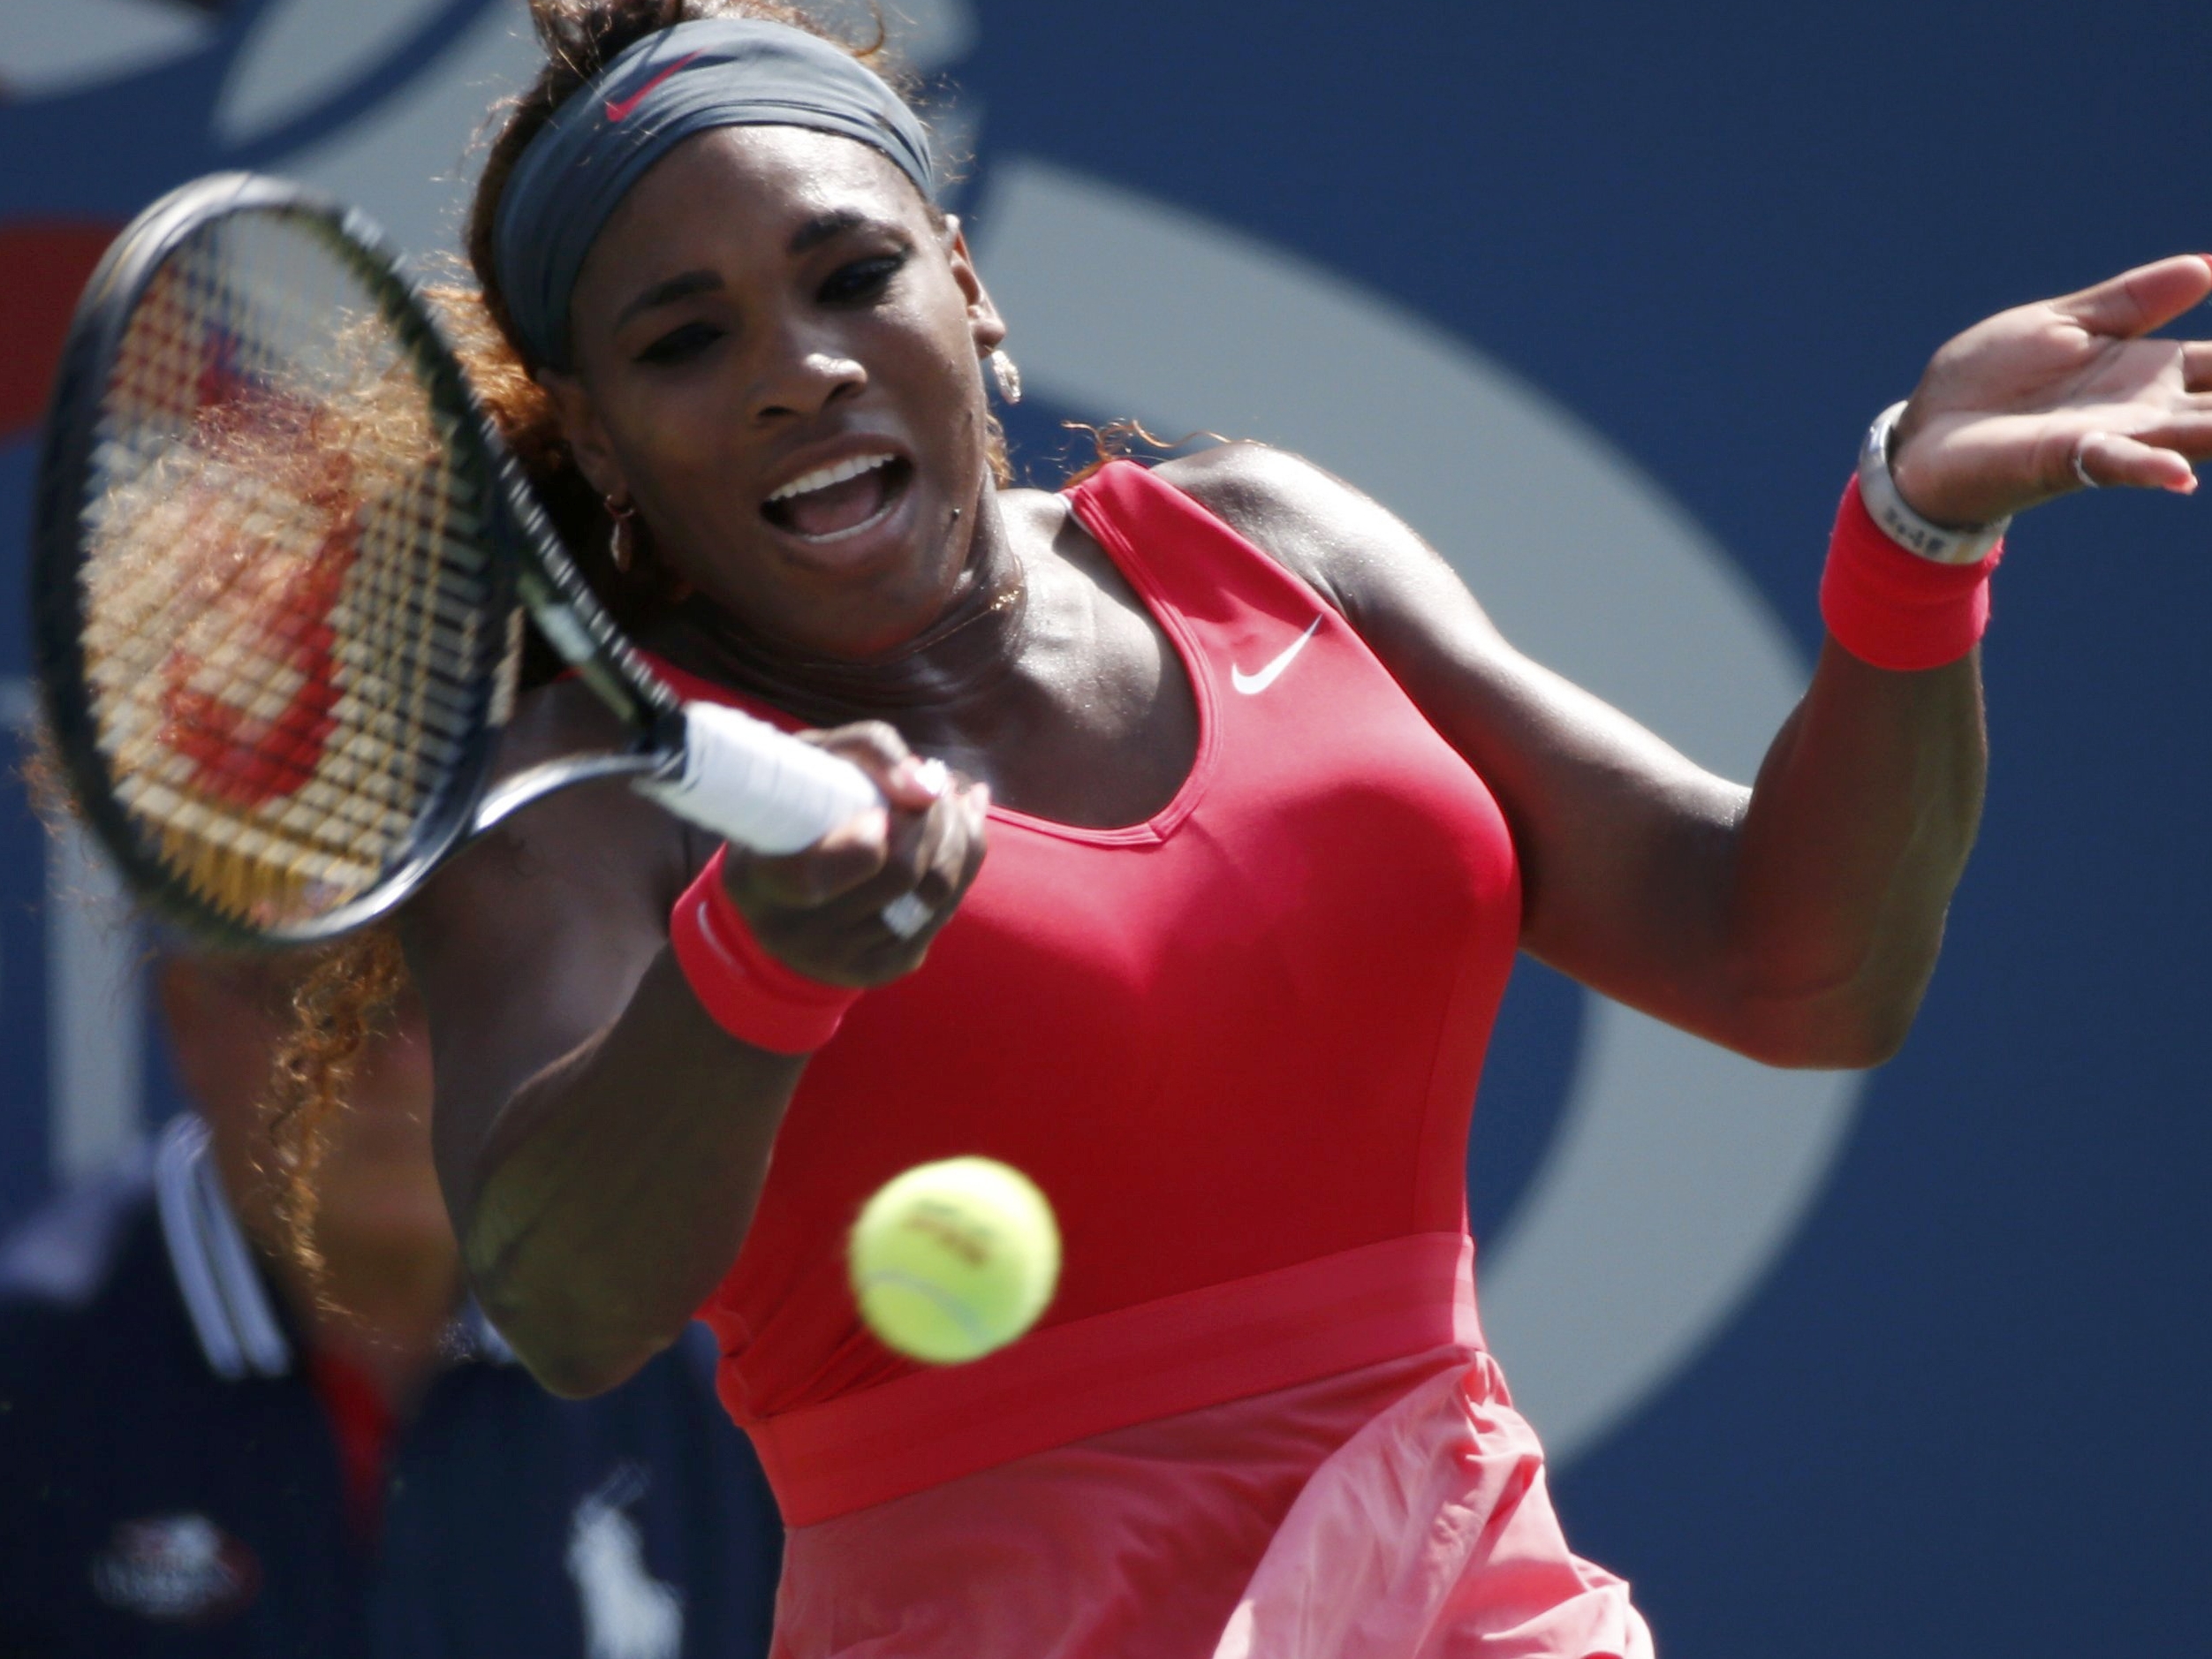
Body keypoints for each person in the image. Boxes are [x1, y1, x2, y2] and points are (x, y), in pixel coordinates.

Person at [336, 1, 2212, 1653]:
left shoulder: (1271, 548)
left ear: (963, 280)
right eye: (684, 339)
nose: (793, 367)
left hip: (1481, 1611)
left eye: (852, 276)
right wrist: (760, 971)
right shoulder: (581, 788)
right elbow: (563, 1300)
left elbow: (1792, 965)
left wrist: (1911, 546)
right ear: (592, 442)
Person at [0, 941, 784, 1657]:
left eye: (449, 994)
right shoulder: (29, 1369)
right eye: (326, 1003)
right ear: (190, 1014)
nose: (398, 1057)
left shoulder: (716, 1359)